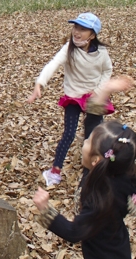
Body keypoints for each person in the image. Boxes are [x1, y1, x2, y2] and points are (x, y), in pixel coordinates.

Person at [32, 121, 136, 259]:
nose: (84, 141)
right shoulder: (114, 172)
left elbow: (74, 232)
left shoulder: (101, 200)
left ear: (95, 160)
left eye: (87, 141)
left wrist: (46, 211)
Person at [27, 12, 112, 186]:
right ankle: (55, 171)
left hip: (94, 97)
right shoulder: (69, 48)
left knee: (93, 136)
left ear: (93, 35)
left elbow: (107, 71)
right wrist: (40, 83)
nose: (77, 32)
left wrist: (99, 90)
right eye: (75, 27)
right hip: (73, 97)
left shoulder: (101, 53)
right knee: (69, 133)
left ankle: (91, 173)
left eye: (83, 29)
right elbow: (53, 64)